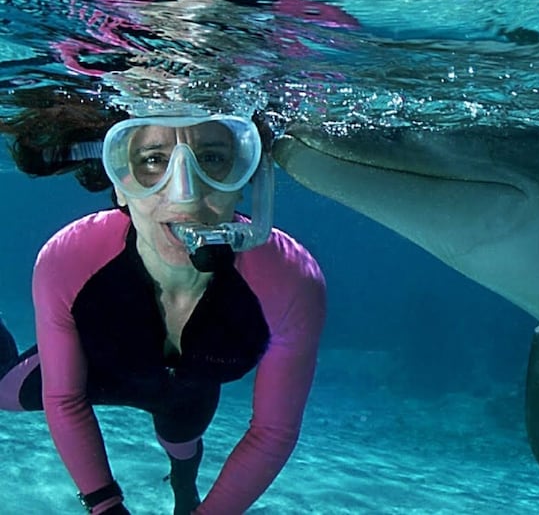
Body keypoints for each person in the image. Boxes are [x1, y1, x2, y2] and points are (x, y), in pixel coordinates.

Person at [0, 89, 326, 514]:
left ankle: (183, 485)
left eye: (211, 159)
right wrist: (105, 506)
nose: (186, 195)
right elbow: (63, 399)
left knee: (182, 442)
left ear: (246, 181)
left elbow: (273, 430)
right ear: (120, 184)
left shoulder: (291, 281)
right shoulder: (68, 258)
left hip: (185, 395)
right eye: (153, 160)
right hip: (96, 370)